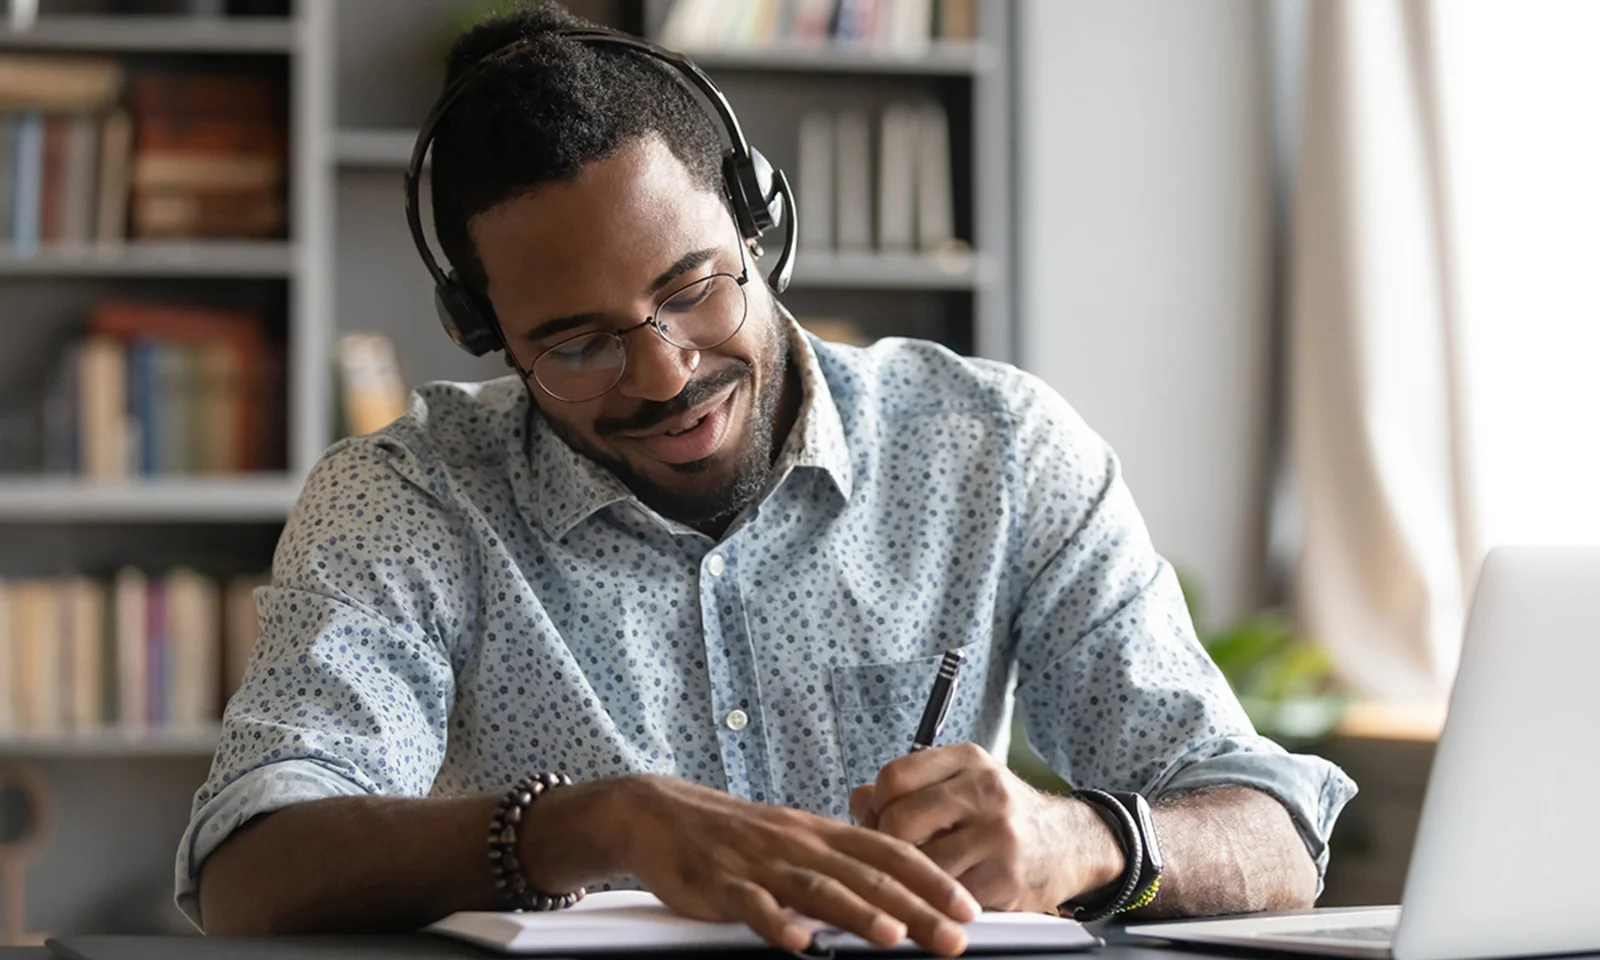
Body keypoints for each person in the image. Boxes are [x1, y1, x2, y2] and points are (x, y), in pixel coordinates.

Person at [182, 2, 1354, 953]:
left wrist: (1083, 841)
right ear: (488, 334)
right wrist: (592, 824)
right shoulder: (408, 499)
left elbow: (1277, 836)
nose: (665, 373)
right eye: (577, 343)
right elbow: (251, 865)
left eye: (693, 286)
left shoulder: (994, 448)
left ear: (761, 228)